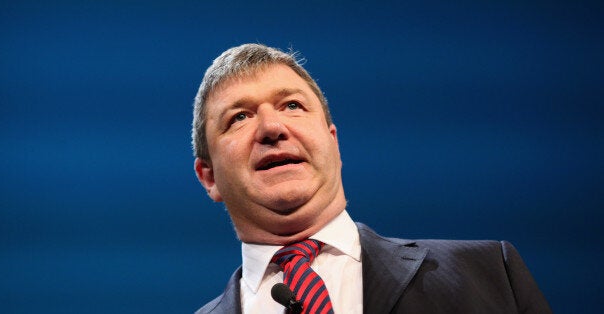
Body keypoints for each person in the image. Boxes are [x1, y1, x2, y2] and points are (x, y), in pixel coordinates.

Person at [191, 43, 551, 313]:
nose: (272, 127)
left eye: (292, 106)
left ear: (333, 142)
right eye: (239, 117)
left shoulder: (489, 274)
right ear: (209, 177)